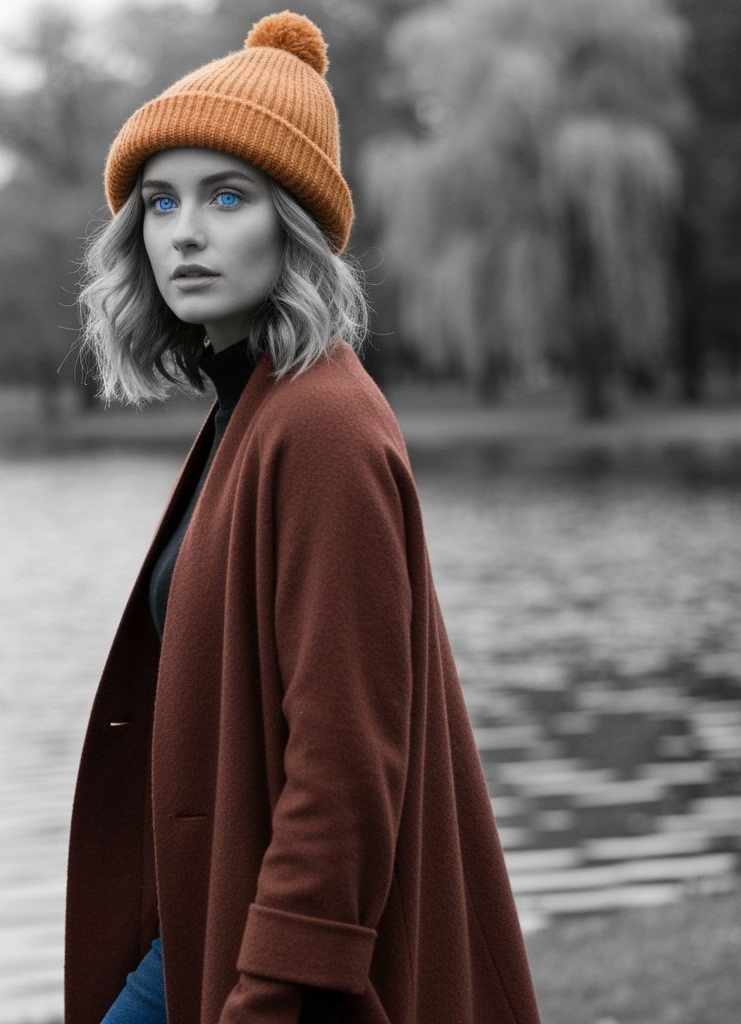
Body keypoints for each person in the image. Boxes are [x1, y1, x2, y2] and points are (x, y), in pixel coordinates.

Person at [66, 11, 542, 1024]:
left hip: (272, 961)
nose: (183, 231)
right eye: (159, 203)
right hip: (204, 925)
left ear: (293, 224)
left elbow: (345, 759)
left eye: (226, 196)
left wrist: (275, 991)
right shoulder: (252, 405)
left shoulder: (319, 425)